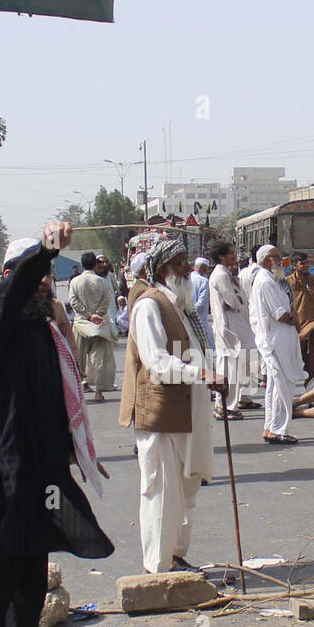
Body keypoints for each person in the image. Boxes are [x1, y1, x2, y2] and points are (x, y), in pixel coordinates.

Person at [0, 223, 114, 627]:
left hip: (39, 466)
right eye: (35, 277)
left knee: (32, 561)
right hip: (6, 468)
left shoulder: (37, 327)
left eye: (49, 279)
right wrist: (45, 252)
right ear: (9, 277)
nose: (45, 284)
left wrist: (70, 449)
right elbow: (22, 283)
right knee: (0, 563)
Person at [120, 238, 225, 574]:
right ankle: (158, 566)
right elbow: (157, 363)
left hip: (190, 412)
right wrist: (201, 373)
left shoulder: (181, 306)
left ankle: (176, 556)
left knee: (187, 489)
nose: (187, 270)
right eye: (180, 263)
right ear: (163, 270)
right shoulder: (149, 306)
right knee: (162, 492)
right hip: (162, 416)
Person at [251, 244, 303, 444]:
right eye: (276, 257)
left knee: (275, 386)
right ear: (266, 260)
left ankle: (271, 427)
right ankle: (278, 429)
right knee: (283, 386)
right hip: (277, 339)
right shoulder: (266, 282)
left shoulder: (271, 280)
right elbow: (281, 314)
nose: (281, 261)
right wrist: (294, 317)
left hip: (279, 339)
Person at [208, 240, 251, 421]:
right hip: (228, 328)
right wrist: (239, 299)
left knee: (230, 366)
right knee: (230, 368)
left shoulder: (226, 274)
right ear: (222, 256)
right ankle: (226, 406)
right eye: (231, 253)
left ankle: (226, 404)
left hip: (230, 326)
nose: (235, 256)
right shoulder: (221, 275)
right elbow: (233, 302)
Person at [68, 252, 117, 402]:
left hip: (81, 324)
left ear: (82, 265)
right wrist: (96, 315)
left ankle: (79, 389)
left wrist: (88, 315)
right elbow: (107, 300)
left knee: (78, 359)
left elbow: (73, 301)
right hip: (99, 325)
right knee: (99, 360)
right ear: (95, 265)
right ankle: (98, 392)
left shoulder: (75, 282)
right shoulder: (101, 281)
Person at [286, 251, 314, 381]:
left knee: (310, 368)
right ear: (294, 266)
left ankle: (309, 397)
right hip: (293, 332)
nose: (306, 266)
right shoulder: (287, 283)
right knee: (289, 368)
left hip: (311, 331)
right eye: (302, 263)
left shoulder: (313, 281)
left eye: (307, 263)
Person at [189, 257, 215, 350]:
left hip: (188, 317)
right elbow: (201, 302)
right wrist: (193, 312)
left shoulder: (188, 278)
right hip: (200, 320)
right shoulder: (204, 281)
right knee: (210, 347)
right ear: (205, 268)